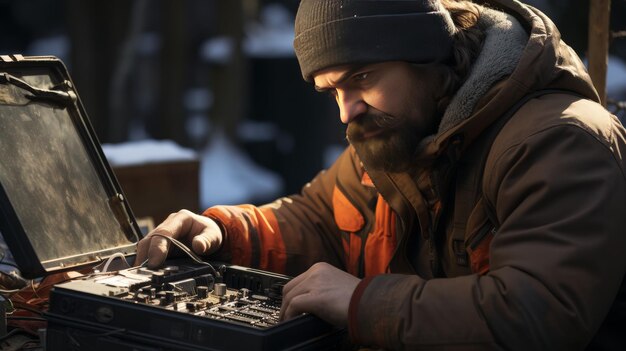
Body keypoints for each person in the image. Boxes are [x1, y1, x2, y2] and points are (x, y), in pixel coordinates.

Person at [136, 0, 626, 349]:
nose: (347, 111)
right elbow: (320, 218)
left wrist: (363, 304)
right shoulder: (396, 135)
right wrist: (226, 232)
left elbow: (537, 314)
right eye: (332, 91)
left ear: (428, 60)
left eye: (362, 78)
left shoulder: (558, 139)